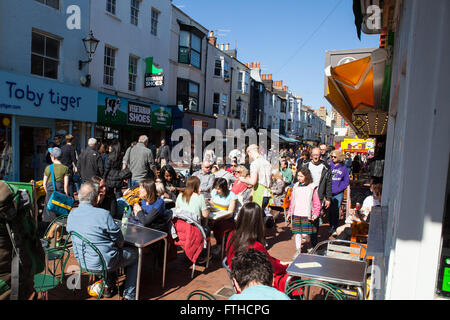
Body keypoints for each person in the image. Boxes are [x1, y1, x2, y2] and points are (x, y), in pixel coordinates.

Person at [66, 182, 139, 300]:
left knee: (107, 251)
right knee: (135, 254)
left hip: (83, 261)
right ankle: (129, 295)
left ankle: (107, 286)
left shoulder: (71, 215)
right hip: (105, 262)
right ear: (96, 198)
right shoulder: (103, 215)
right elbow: (120, 243)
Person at [226, 203, 291, 293]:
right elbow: (272, 266)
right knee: (291, 280)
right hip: (252, 284)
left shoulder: (231, 235)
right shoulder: (255, 245)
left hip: (239, 279)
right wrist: (286, 267)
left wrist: (280, 262)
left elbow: (267, 260)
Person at [301, 147, 332, 247]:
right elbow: (298, 178)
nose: (315, 156)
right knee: (305, 217)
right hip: (306, 194)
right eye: (314, 154)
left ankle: (313, 243)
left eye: (317, 155)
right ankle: (306, 240)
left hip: (318, 195)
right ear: (311, 155)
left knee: (315, 219)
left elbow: (329, 183)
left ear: (320, 155)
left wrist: (328, 198)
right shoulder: (305, 165)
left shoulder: (326, 167)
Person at [288, 167, 322, 259]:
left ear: (306, 177)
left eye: (301, 176)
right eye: (298, 175)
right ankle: (298, 250)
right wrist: (289, 212)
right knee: (297, 233)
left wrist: (316, 213)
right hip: (296, 213)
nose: (298, 178)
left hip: (307, 214)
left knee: (305, 234)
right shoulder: (295, 186)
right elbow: (292, 201)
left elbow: (316, 202)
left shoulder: (311, 187)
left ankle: (309, 244)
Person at [41, 147, 69, 235]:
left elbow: (44, 183)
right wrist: (66, 195)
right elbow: (66, 185)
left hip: (50, 193)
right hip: (60, 193)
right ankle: (57, 237)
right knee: (60, 216)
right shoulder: (65, 168)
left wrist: (47, 193)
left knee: (50, 215)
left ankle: (50, 234)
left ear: (52, 157)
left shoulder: (48, 168)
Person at [238, 144, 272, 215]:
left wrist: (242, 179)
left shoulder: (254, 163)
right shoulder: (267, 162)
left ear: (250, 152)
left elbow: (253, 181)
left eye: (248, 154)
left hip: (260, 193)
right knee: (261, 216)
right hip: (267, 193)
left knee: (256, 218)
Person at [209, 178, 237, 256]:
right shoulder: (214, 192)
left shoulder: (231, 195)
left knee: (218, 226)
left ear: (224, 188)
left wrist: (218, 218)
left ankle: (219, 245)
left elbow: (230, 213)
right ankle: (206, 247)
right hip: (214, 216)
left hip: (226, 219)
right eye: (216, 188)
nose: (217, 191)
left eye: (219, 189)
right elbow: (211, 203)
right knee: (205, 225)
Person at [328, 150, 350, 236]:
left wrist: (339, 189)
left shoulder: (344, 168)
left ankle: (335, 227)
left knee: (336, 210)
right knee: (330, 211)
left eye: (335, 157)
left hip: (338, 193)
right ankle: (331, 226)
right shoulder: (329, 166)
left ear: (339, 157)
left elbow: (346, 181)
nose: (333, 158)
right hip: (329, 192)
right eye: (332, 157)